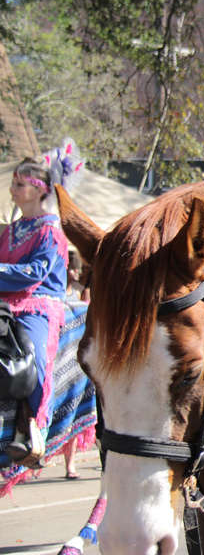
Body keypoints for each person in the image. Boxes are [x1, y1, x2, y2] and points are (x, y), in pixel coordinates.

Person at [1, 158, 70, 467]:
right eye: (14, 183)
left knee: (34, 356)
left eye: (19, 184)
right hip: (6, 299)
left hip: (39, 303)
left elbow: (34, 272)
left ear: (38, 190)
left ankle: (34, 429)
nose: (12, 189)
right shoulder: (11, 230)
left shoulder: (52, 231)